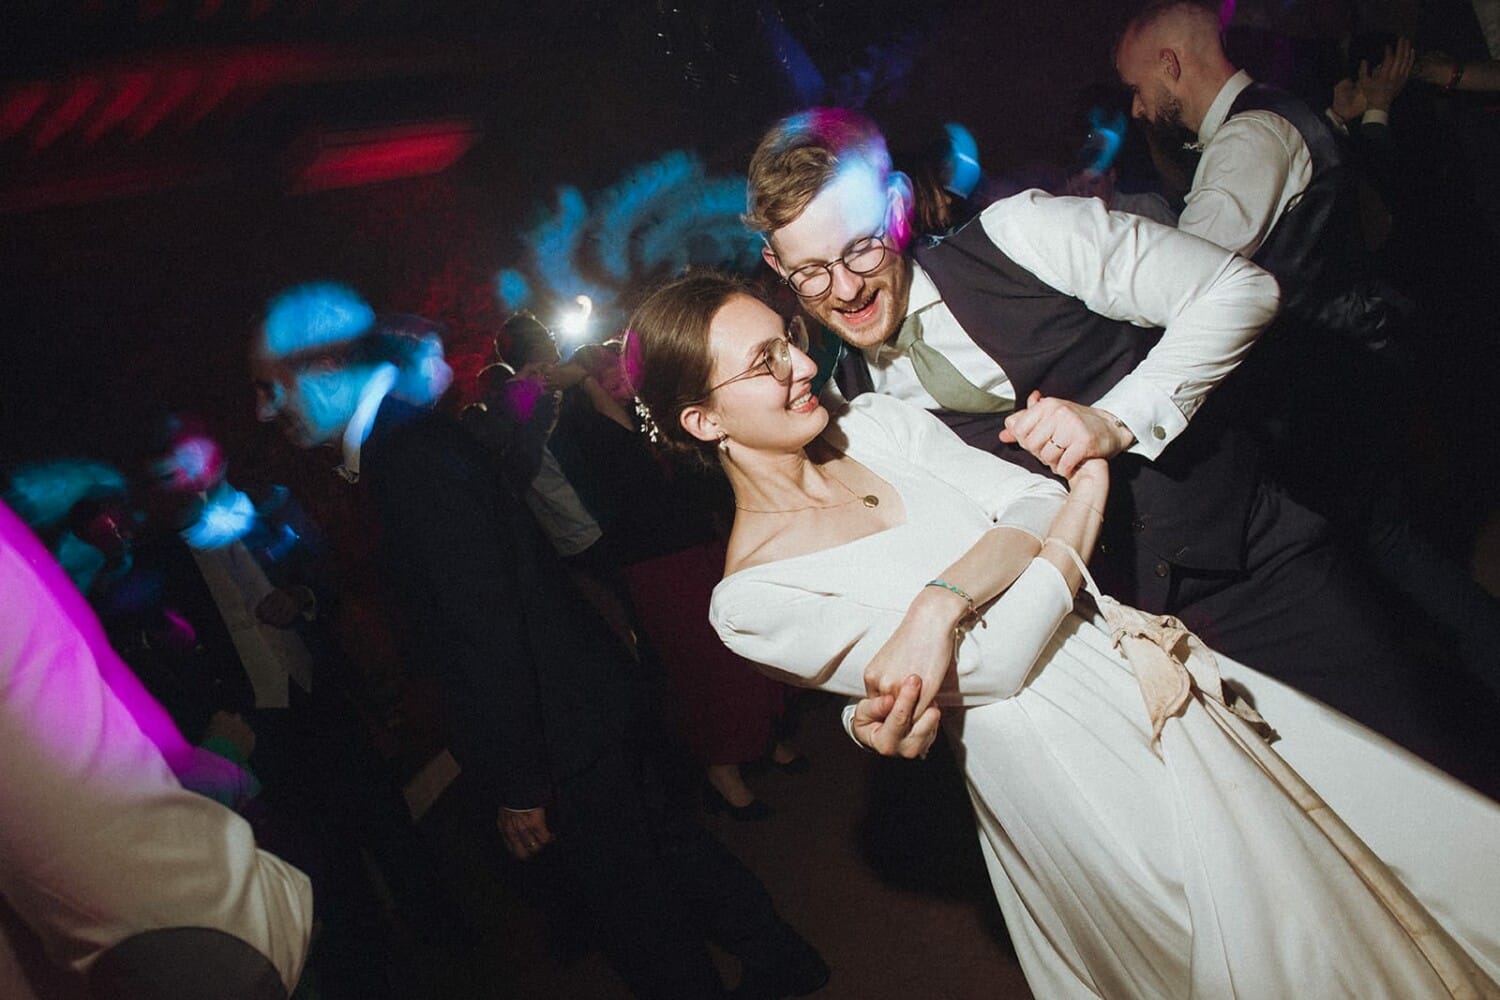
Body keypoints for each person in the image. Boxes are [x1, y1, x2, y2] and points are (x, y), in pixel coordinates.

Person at [628, 270, 1500, 999]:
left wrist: (940, 602)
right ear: (705, 421)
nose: (802, 365)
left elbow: (1029, 499)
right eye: (764, 362)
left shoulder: (879, 425)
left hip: (1128, 666)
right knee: (1229, 946)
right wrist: (1084, 494)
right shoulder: (751, 599)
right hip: (1059, 767)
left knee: (1322, 891)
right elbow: (1001, 663)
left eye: (787, 339)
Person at [742, 106, 1478, 778]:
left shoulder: (1023, 234)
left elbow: (1239, 290)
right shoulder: (852, 406)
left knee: (1426, 781)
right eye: (809, 273)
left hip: (1255, 572)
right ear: (777, 269)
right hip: (1118, 661)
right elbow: (903, 568)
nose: (845, 290)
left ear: (899, 206)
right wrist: (872, 707)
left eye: (862, 249)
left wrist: (1116, 418)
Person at [250, 282, 828, 1000]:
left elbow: (482, 625)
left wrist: (520, 781)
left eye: (272, 389)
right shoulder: (409, 443)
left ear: (326, 373)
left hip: (561, 729)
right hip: (583, 703)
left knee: (634, 911)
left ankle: (777, 959)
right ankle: (782, 957)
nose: (263, 411)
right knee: (670, 851)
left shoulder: (407, 456)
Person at [1116, 3, 1500, 696]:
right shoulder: (1277, 112)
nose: (1138, 109)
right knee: (1393, 551)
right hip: (1355, 372)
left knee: (1383, 557)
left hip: (1324, 393)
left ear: (1172, 65)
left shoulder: (1247, 141)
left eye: (1139, 88)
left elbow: (1181, 277)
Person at [0, 497, 313, 1000]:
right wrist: (221, 755)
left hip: (211, 825)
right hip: (193, 888)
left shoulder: (145, 577)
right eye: (97, 530)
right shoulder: (78, 611)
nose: (116, 534)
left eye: (120, 521)